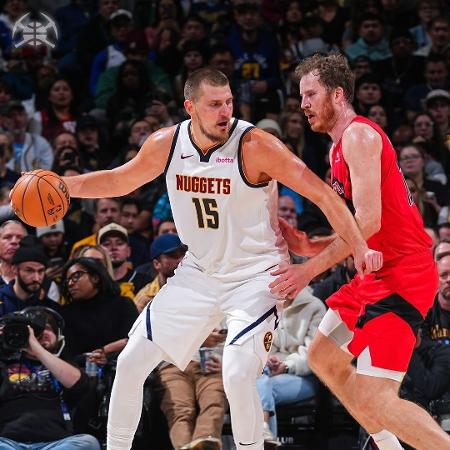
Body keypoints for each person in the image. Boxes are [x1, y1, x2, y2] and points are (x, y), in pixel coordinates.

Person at [54, 67, 381, 450]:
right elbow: (118, 179)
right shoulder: (167, 143)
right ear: (190, 106)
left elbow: (323, 195)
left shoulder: (255, 144)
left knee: (238, 373)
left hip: (255, 275)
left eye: (229, 102)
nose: (225, 111)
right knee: (129, 364)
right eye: (214, 104)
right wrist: (63, 185)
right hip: (199, 272)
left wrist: (358, 245)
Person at [274, 53, 450, 450]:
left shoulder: (359, 136)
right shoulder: (336, 150)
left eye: (310, 94)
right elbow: (355, 233)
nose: (302, 104)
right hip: (374, 275)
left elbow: (368, 223)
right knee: (322, 357)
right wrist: (307, 245)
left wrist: (308, 271)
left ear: (337, 95)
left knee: (377, 397)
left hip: (403, 276)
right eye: (300, 96)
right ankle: (388, 447)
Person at [0, 306, 100, 450]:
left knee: (88, 443)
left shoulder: (64, 366)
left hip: (55, 444)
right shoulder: (5, 364)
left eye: (48, 328)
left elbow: (80, 384)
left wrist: (36, 348)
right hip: (7, 442)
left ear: (58, 335)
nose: (42, 333)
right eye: (36, 330)